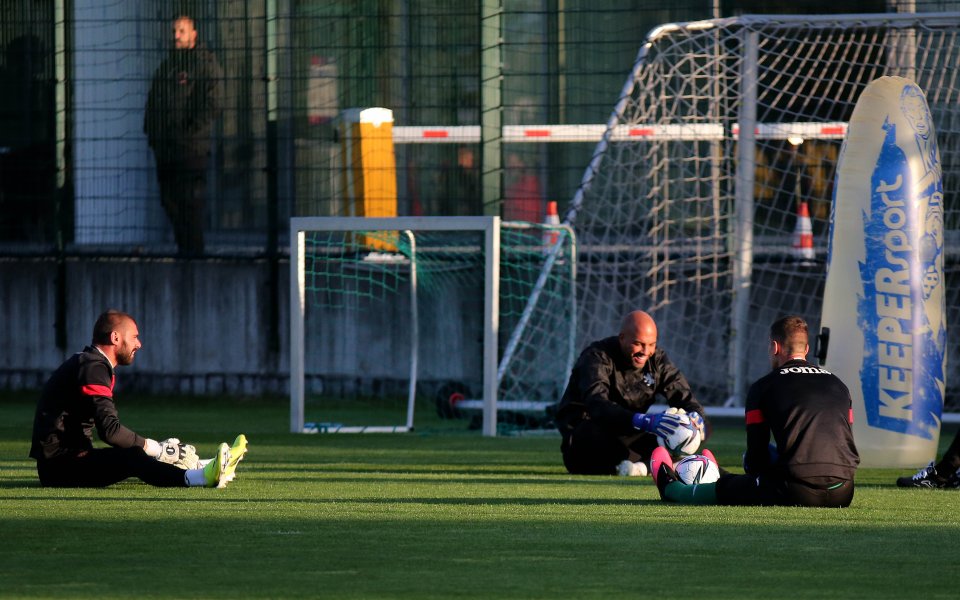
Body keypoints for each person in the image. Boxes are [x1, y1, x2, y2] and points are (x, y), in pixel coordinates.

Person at [651, 315, 860, 507]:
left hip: (795, 491)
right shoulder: (839, 385)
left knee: (734, 487)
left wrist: (755, 471)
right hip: (844, 491)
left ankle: (670, 486)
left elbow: (756, 459)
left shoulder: (764, 387)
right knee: (775, 460)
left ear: (774, 347)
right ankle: (720, 473)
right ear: (806, 349)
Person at [29, 310, 247, 488]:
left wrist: (155, 450)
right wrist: (158, 448)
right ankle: (200, 478)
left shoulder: (89, 363)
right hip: (60, 467)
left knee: (136, 455)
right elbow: (111, 432)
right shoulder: (93, 367)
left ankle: (204, 464)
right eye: (134, 336)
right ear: (115, 337)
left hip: (67, 460)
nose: (139, 344)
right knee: (132, 456)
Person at [552, 310, 707, 476]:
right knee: (589, 435)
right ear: (622, 338)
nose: (645, 351)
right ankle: (646, 465)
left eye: (651, 344)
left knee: (681, 435)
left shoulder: (657, 361)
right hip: (588, 434)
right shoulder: (596, 356)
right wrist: (642, 420)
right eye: (638, 344)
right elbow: (597, 404)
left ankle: (640, 468)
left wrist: (696, 419)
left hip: (630, 433)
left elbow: (684, 397)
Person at [144, 15, 223, 256]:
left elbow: (212, 104)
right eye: (174, 31)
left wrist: (188, 132)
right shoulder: (168, 65)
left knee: (190, 204)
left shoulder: (204, 64)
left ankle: (194, 255)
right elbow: (154, 101)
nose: (176, 36)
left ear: (194, 34)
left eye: (181, 31)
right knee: (170, 202)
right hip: (166, 150)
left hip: (190, 150)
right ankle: (184, 250)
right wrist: (152, 133)